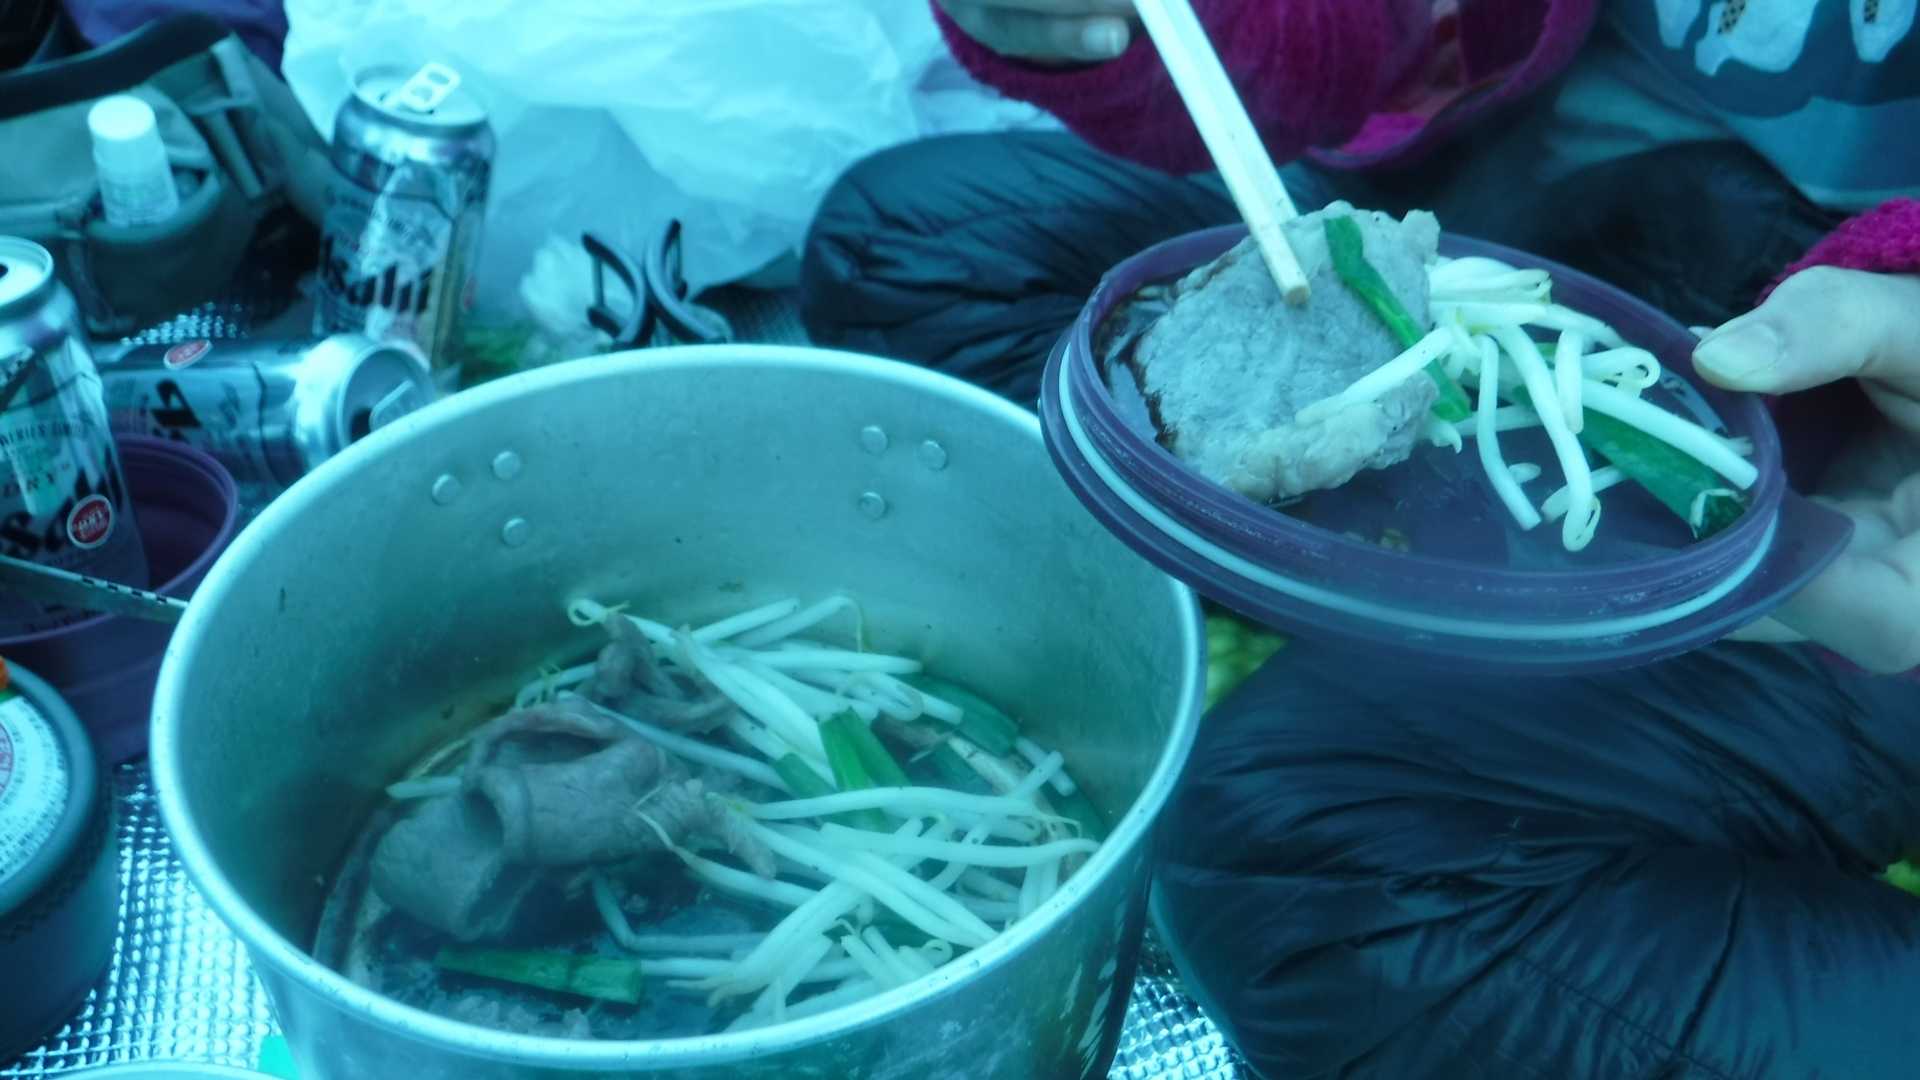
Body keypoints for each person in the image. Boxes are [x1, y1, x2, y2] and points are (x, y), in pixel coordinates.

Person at [801, 2, 1920, 1076]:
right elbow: (1367, 42)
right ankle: (1352, 585)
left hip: (1847, 493)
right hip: (1532, 221)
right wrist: (1146, 25)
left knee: (1297, 864)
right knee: (916, 242)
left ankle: (1385, 654)